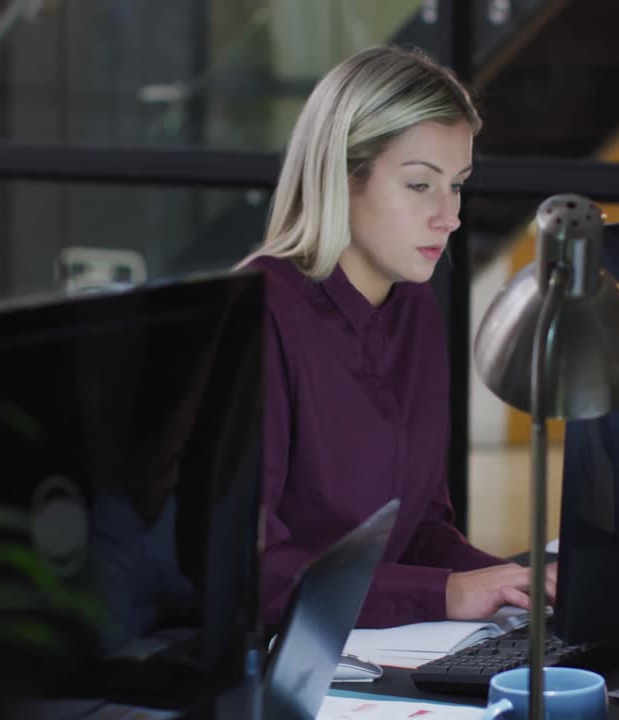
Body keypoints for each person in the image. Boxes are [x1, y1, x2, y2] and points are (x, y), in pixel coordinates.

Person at [237, 44, 556, 629]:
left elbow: (421, 531)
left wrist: (515, 584)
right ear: (343, 177)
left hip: (379, 653)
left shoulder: (415, 307)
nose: (450, 215)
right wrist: (445, 595)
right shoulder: (259, 314)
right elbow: (251, 571)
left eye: (457, 184)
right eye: (419, 185)